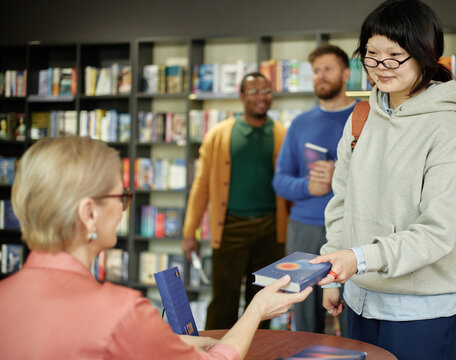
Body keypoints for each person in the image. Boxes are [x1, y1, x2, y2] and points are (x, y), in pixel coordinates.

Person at [0, 136, 311, 360]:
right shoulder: (120, 312)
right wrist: (256, 309)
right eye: (121, 197)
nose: (124, 208)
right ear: (89, 214)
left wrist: (169, 343)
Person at [311, 1, 456, 359]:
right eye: (371, 55)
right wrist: (335, 270)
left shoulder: (446, 129)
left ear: (425, 55)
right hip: (359, 299)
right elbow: (341, 202)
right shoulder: (361, 116)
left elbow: (439, 231)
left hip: (420, 310)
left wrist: (357, 258)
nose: (381, 68)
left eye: (395, 55)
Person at [182, 72, 289, 330]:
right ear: (241, 96)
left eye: (266, 91)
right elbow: (202, 186)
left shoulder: (282, 134)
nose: (261, 97)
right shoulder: (219, 134)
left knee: (262, 302)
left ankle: (258, 354)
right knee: (223, 301)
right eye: (253, 91)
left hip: (270, 230)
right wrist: (189, 231)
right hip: (230, 227)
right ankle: (214, 352)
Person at [272, 44, 357, 334]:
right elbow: (280, 181)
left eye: (328, 69)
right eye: (316, 71)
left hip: (352, 229)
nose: (320, 76)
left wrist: (339, 173)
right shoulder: (300, 123)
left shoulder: (364, 117)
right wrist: (308, 186)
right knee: (304, 315)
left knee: (350, 310)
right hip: (304, 229)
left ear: (346, 73)